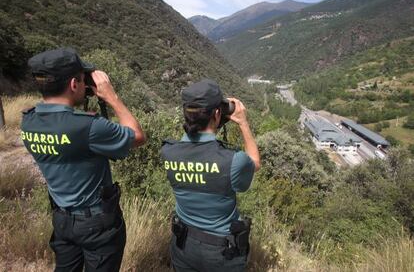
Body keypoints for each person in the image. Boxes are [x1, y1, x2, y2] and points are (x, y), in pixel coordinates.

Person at [21, 47, 146, 271]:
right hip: (97, 224)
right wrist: (111, 97)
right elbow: (137, 136)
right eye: (82, 79)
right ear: (73, 84)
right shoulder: (88, 127)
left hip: (62, 220)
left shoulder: (29, 121)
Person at [161, 79, 261, 272]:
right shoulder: (233, 160)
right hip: (221, 252)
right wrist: (243, 123)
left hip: (183, 244)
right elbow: (255, 163)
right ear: (217, 114)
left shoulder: (168, 151)